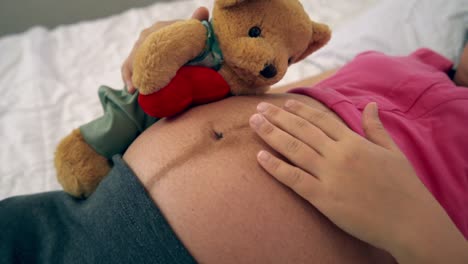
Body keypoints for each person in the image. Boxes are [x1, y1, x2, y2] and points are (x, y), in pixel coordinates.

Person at [1, 7, 467, 264]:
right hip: (70, 217)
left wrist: (416, 227)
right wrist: (192, 66)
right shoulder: (413, 60)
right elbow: (273, 92)